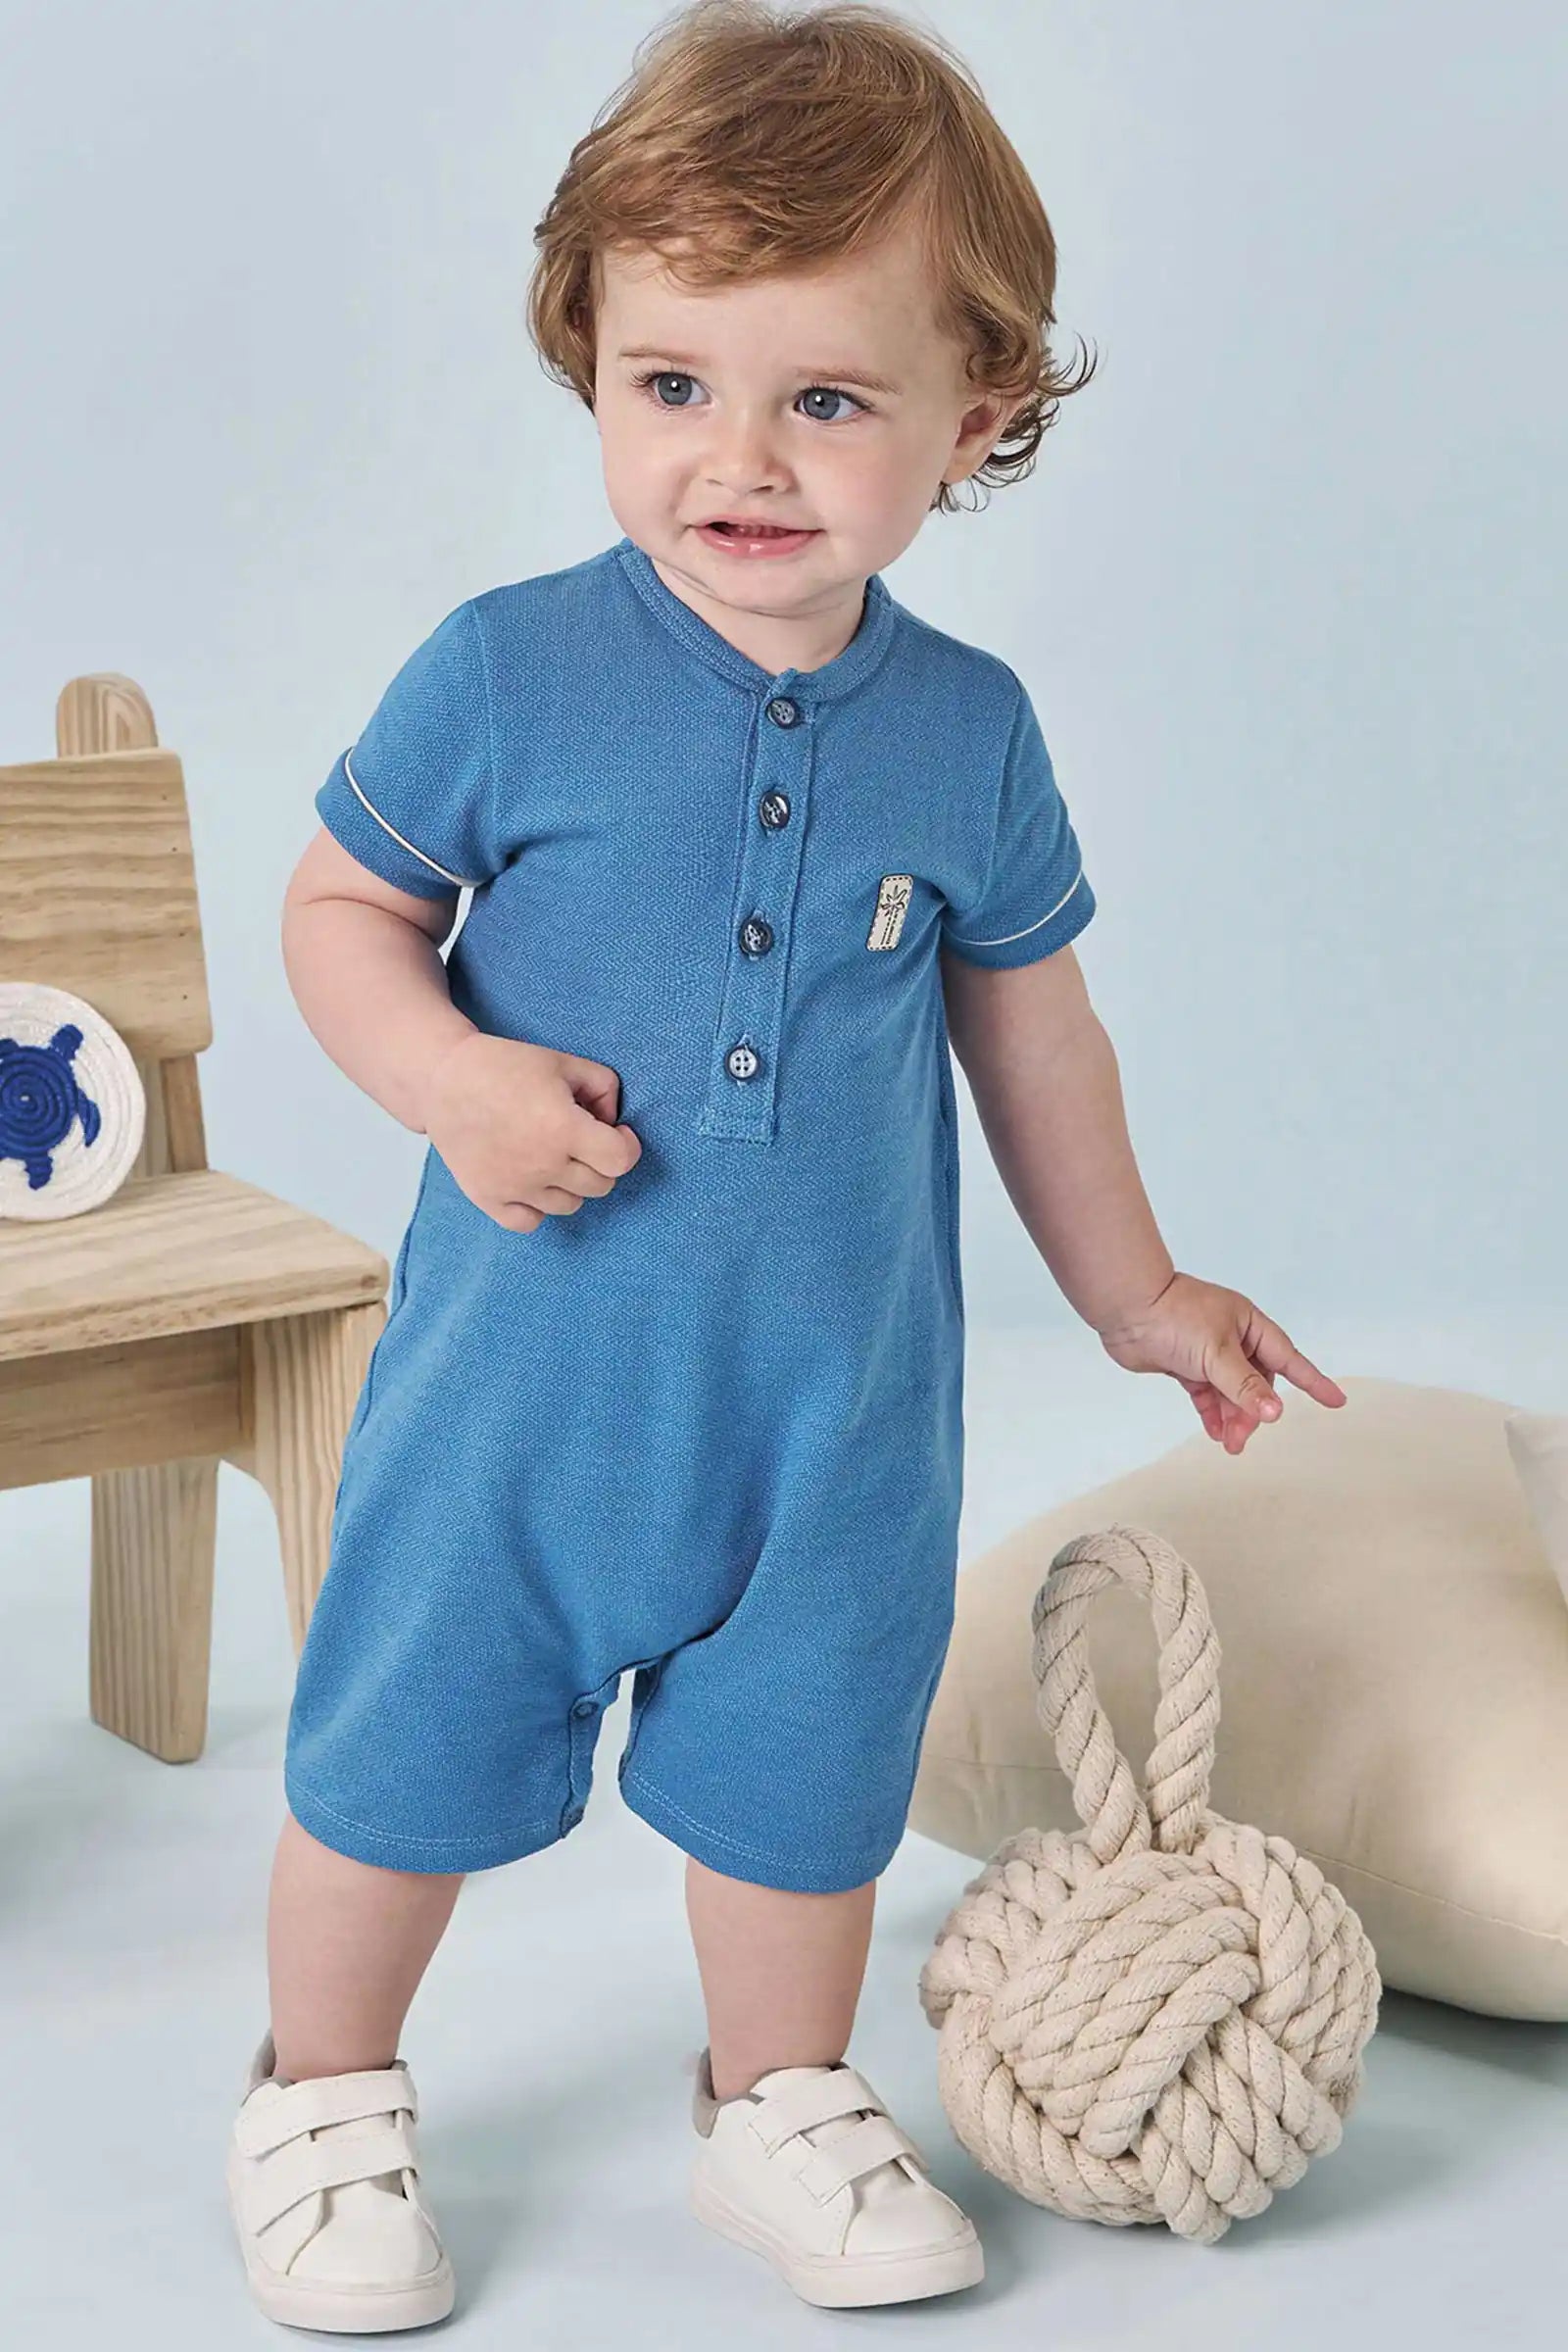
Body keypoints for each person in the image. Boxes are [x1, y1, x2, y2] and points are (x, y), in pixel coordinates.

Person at [225, 0, 1348, 2329]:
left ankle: (776, 2097)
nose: (736, 458)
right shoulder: (507, 673)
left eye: (825, 399)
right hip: (522, 1398)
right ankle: (317, 2088)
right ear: (590, 358)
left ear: (978, 413)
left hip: (833, 1414)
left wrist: (1136, 1291)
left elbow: (1031, 1029)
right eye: (671, 383)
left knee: (805, 1773)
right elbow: (341, 913)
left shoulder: (968, 734)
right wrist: (450, 1082)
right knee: (397, 1749)